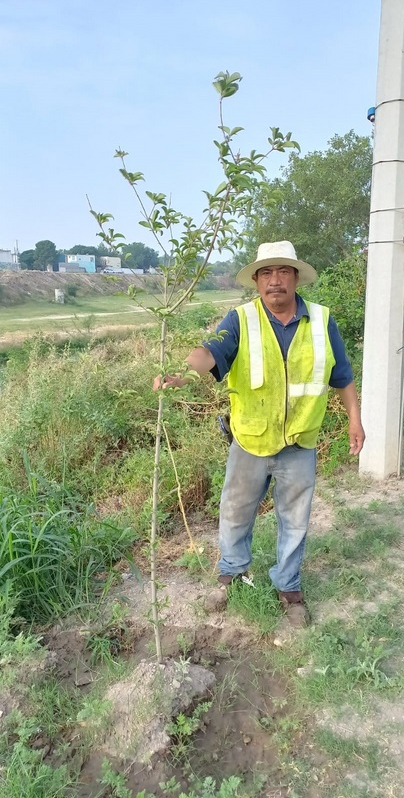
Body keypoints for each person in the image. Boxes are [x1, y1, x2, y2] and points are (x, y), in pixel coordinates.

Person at [154, 241, 365, 634]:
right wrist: (180, 375)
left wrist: (355, 419)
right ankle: (230, 575)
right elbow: (209, 353)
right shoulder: (240, 320)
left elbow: (343, 377)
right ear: (255, 280)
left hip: (299, 443)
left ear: (296, 277)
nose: (275, 280)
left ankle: (289, 589)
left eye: (283, 271)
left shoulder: (321, 321)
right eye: (266, 273)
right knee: (234, 512)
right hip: (249, 441)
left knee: (296, 521)